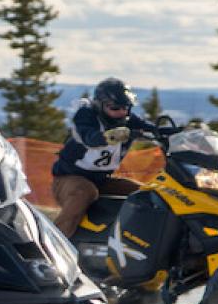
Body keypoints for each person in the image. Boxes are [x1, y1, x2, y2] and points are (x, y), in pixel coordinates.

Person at [50, 77, 164, 237]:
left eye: (126, 107)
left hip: (101, 181)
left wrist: (175, 133)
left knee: (145, 195)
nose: (121, 112)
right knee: (85, 192)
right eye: (115, 108)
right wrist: (112, 136)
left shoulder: (127, 120)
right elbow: (89, 137)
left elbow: (150, 129)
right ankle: (53, 244)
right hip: (69, 179)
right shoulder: (86, 115)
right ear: (100, 105)